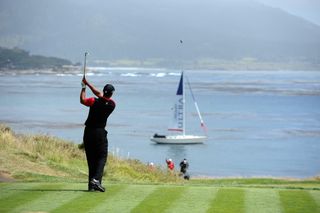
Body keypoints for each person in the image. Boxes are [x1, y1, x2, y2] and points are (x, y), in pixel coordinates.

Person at [80, 76, 116, 192]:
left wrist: (84, 87)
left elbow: (82, 100)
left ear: (104, 91)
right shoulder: (111, 105)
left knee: (91, 159)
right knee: (101, 157)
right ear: (111, 94)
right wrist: (88, 84)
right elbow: (100, 94)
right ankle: (96, 180)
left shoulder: (93, 101)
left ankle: (92, 186)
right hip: (100, 133)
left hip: (88, 132)